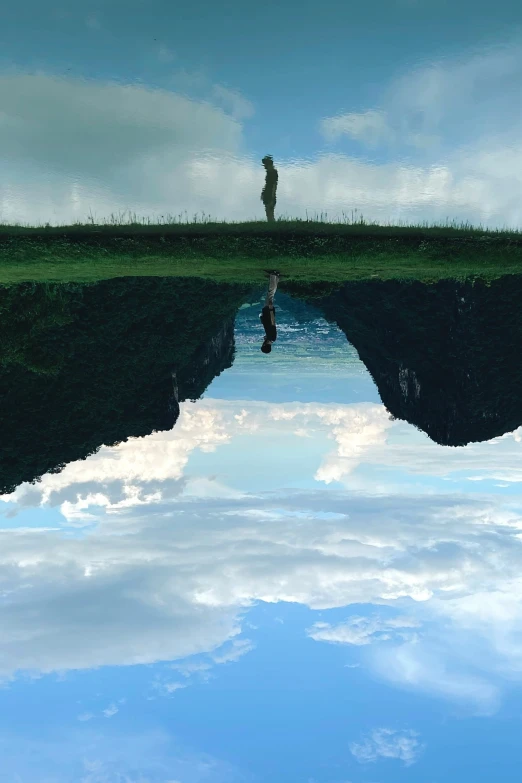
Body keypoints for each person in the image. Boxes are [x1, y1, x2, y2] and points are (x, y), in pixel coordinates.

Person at [260, 270, 280, 353]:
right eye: (262, 344)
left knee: (270, 294)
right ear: (265, 345)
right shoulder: (271, 337)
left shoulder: (270, 338)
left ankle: (276, 278)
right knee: (270, 293)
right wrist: (271, 310)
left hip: (267, 313)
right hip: (269, 312)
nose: (262, 343)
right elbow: (272, 324)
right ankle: (273, 276)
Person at [261, 155, 278, 223]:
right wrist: (263, 192)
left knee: (270, 212)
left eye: (265, 164)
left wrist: (272, 196)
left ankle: (272, 225)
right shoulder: (268, 172)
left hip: (270, 194)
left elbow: (274, 185)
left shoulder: (273, 172)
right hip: (267, 193)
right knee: (268, 211)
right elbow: (267, 184)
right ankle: (271, 224)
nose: (264, 166)